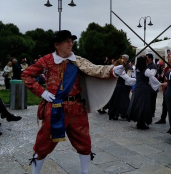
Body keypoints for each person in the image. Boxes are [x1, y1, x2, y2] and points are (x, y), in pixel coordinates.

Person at [21, 30, 124, 174]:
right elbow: (26, 75)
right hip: (55, 108)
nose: (71, 44)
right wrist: (42, 92)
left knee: (84, 143)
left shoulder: (78, 60)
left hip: (76, 107)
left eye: (71, 41)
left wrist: (113, 70)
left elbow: (95, 70)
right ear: (57, 45)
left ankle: (84, 172)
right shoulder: (47, 60)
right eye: (67, 41)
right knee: (43, 144)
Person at [127, 56, 161, 129]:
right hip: (144, 89)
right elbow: (152, 79)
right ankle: (141, 123)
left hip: (137, 88)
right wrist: (159, 84)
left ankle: (139, 121)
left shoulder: (137, 69)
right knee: (143, 105)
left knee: (137, 104)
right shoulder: (146, 70)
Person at [155, 53, 171, 124]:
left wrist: (167, 83)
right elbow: (162, 76)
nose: (170, 59)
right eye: (169, 57)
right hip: (166, 90)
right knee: (164, 105)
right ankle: (163, 118)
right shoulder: (167, 68)